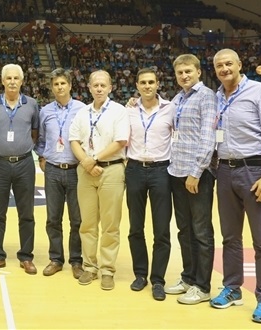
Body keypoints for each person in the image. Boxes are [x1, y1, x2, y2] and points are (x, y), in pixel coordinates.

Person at [210, 48, 261, 324]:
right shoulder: (216, 97)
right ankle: (232, 288)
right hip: (224, 171)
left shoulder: (260, 92)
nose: (224, 69)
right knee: (230, 237)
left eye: (229, 63)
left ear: (240, 65)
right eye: (219, 66)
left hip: (253, 170)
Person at [68, 70, 129, 290]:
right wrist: (86, 161)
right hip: (85, 171)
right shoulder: (82, 112)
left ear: (110, 88)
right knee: (87, 223)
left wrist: (93, 159)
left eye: (103, 85)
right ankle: (90, 266)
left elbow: (120, 141)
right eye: (96, 85)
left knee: (110, 224)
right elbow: (73, 139)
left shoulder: (119, 111)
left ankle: (107, 270)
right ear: (89, 88)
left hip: (111, 170)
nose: (99, 89)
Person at [165, 54, 218, 305]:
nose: (184, 76)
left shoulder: (206, 96)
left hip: (196, 174)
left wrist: (196, 171)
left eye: (188, 71)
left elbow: (208, 136)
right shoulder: (179, 98)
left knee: (201, 231)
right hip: (177, 172)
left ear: (198, 71)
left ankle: (203, 285)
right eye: (180, 73)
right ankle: (188, 277)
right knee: (184, 230)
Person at [0, 64, 40, 275]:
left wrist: (21, 147)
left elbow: (35, 132)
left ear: (22, 81)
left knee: (27, 213)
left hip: (25, 163)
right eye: (9, 78)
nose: (13, 82)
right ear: (2, 81)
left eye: (16, 78)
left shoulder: (32, 104)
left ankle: (26, 256)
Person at [124, 68, 173, 301]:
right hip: (134, 169)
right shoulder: (129, 109)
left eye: (151, 82)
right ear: (136, 84)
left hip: (162, 171)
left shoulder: (170, 109)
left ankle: (158, 280)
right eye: (142, 82)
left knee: (162, 229)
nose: (147, 86)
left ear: (158, 83)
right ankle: (140, 274)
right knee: (135, 227)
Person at [34, 68, 85, 278]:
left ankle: (76, 260)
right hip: (53, 170)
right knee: (53, 218)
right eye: (56, 84)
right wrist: (43, 158)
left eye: (63, 83)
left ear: (70, 85)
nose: (60, 87)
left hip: (76, 170)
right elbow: (41, 139)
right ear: (52, 87)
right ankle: (56, 259)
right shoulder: (45, 111)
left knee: (77, 220)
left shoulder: (82, 109)